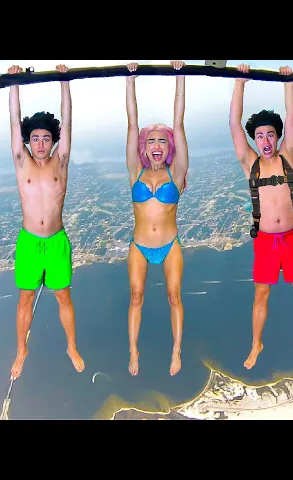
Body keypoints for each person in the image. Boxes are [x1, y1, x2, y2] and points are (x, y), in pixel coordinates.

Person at [229, 63, 293, 370]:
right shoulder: (250, 164)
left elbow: (292, 115)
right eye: (260, 136)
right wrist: (240, 82)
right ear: (255, 140)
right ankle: (256, 343)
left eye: (270, 134)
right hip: (265, 240)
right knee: (261, 295)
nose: (266, 140)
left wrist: (288, 82)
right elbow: (234, 124)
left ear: (278, 137)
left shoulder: (288, 156)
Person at [7, 63, 85, 379]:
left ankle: (71, 346)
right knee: (24, 299)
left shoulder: (60, 162)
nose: (40, 144)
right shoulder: (21, 161)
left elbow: (68, 121)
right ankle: (21, 349)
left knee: (64, 296)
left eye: (46, 138)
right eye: (35, 138)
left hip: (56, 242)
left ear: (54, 141)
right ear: (29, 140)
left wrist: (65, 83)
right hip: (29, 243)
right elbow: (14, 121)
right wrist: (14, 84)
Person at [125, 60, 189, 377]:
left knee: (174, 297)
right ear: (144, 147)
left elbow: (179, 123)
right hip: (139, 245)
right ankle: (133, 352)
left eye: (162, 140)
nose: (156, 145)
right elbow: (131, 123)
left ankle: (176, 351)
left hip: (169, 244)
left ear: (169, 146)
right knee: (136, 297)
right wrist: (130, 79)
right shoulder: (135, 171)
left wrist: (180, 76)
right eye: (151, 141)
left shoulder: (176, 173)